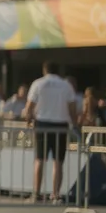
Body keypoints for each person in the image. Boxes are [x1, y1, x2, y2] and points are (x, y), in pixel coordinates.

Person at [24, 61, 76, 204]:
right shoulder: (66, 85)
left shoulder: (38, 84)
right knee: (58, 161)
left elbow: (29, 107)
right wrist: (75, 124)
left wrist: (28, 120)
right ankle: (56, 195)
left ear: (44, 70)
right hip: (61, 124)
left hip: (42, 123)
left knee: (39, 159)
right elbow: (72, 107)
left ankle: (36, 194)